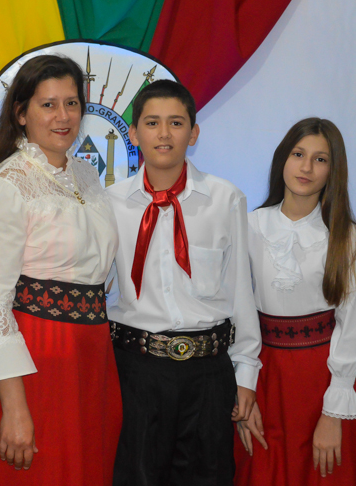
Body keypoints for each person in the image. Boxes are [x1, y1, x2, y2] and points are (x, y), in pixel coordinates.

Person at [0, 54, 121, 485]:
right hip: (33, 360)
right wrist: (14, 407)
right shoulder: (7, 184)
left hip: (91, 356)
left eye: (72, 103)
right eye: (48, 105)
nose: (63, 116)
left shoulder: (86, 176)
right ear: (21, 113)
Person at [105, 79, 262, 486]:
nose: (164, 133)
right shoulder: (111, 203)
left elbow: (240, 291)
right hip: (136, 371)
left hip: (208, 373)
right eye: (152, 123)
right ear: (133, 133)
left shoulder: (225, 199)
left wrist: (246, 373)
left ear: (193, 134)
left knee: (208, 476)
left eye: (176, 123)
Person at [234, 117, 356, 485]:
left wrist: (333, 412)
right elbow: (235, 315)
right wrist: (243, 392)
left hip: (329, 378)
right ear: (283, 159)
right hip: (268, 379)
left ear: (332, 171)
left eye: (320, 159)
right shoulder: (249, 227)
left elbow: (355, 322)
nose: (306, 167)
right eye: (298, 154)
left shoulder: (346, 236)